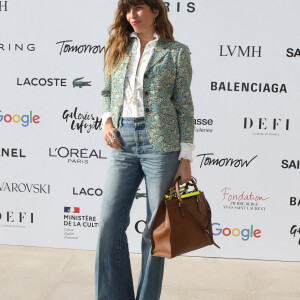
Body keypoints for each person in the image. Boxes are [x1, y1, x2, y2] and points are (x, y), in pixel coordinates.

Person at [95, 0, 195, 299]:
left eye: (138, 8)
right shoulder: (117, 47)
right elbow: (106, 91)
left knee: (155, 229)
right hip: (122, 140)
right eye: (127, 10)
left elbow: (184, 105)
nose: (132, 15)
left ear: (155, 11)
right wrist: (107, 122)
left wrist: (185, 157)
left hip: (161, 146)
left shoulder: (175, 52)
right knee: (110, 222)